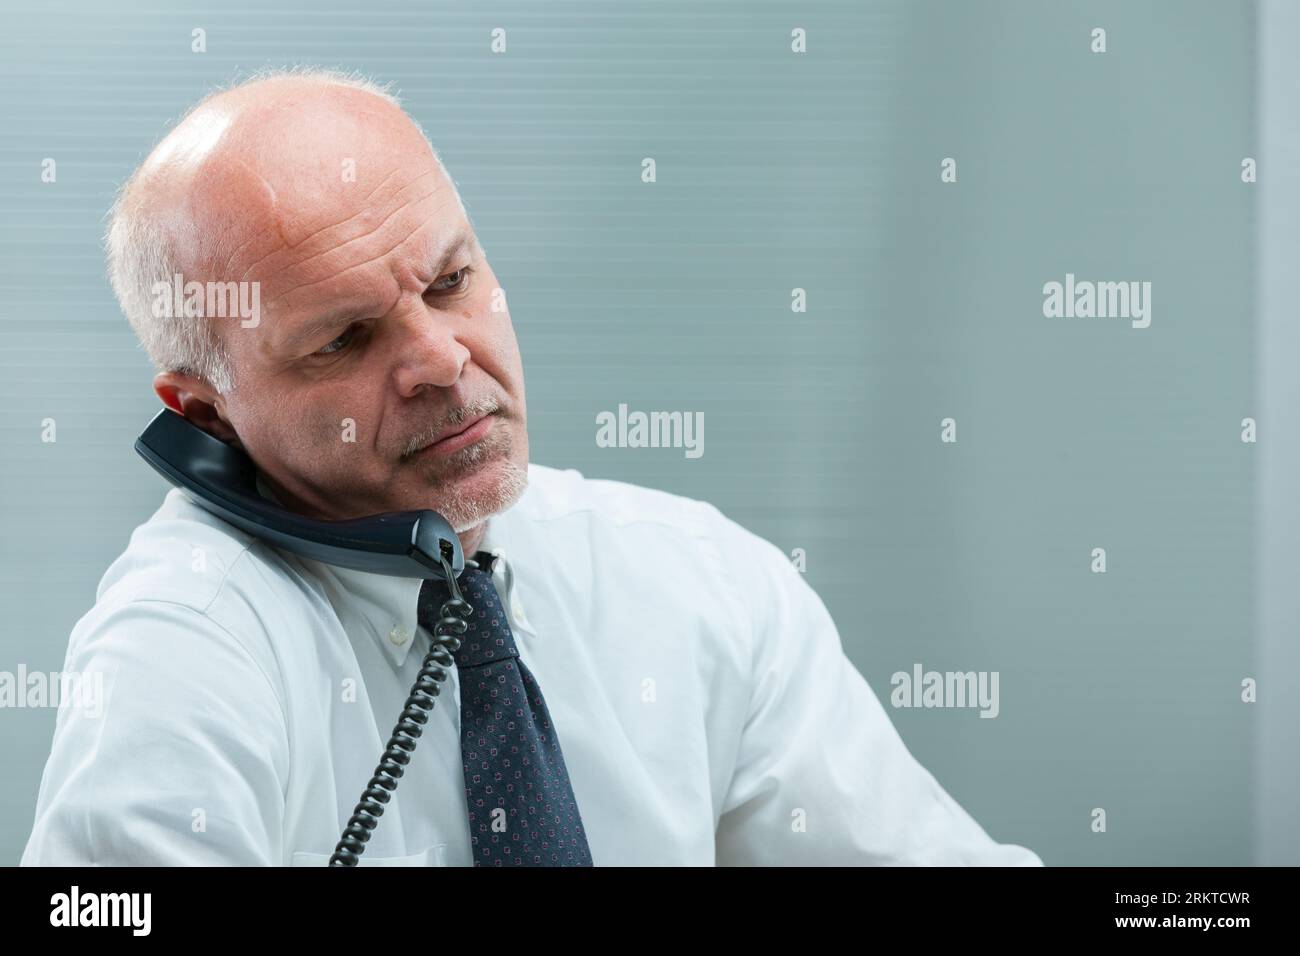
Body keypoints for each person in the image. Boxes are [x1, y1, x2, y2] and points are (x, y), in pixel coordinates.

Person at [22, 67, 1042, 867]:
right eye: (343, 340)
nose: (439, 359)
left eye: (452, 279)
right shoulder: (184, 647)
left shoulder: (697, 577)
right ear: (206, 411)